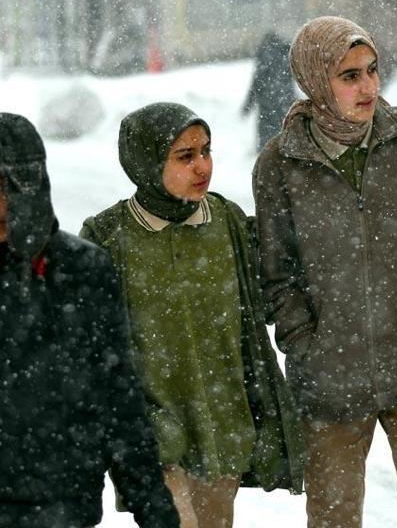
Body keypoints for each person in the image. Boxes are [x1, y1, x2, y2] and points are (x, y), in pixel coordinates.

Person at [252, 16, 397, 527]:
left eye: (372, 70)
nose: (369, 87)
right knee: (333, 518)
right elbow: (276, 274)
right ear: (315, 81)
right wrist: (309, 346)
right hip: (329, 383)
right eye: (350, 76)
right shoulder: (281, 162)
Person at [0, 112, 180, 527]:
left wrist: (151, 504)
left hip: (64, 492)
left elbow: (116, 393)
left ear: (29, 182)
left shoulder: (82, 270)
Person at [80, 102, 304, 528]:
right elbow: (84, 341)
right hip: (151, 428)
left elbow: (274, 288)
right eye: (185, 156)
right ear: (147, 163)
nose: (202, 166)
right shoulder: (107, 236)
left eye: (206, 151)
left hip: (222, 423)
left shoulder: (227, 222)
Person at [242, 32, 296, 152]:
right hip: (285, 101)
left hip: (267, 103)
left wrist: (248, 105)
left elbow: (257, 82)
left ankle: (266, 152)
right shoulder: (286, 53)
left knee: (266, 136)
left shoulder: (265, 55)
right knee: (284, 131)